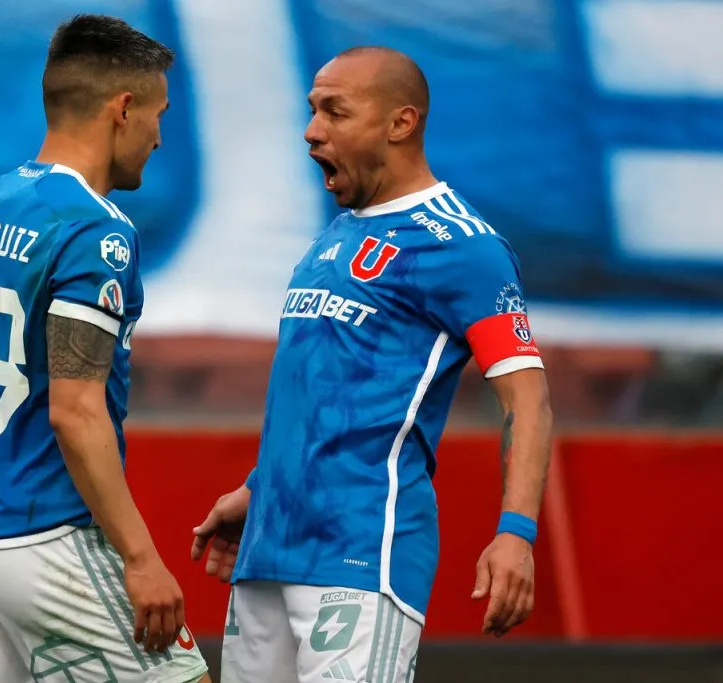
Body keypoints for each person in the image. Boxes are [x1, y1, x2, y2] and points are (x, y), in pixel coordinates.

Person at [191, 46, 553, 682]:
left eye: (335, 111)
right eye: (312, 111)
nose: (312, 130)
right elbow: (325, 387)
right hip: (269, 551)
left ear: (400, 123)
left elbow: (529, 400)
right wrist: (258, 487)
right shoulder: (332, 236)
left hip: (363, 556)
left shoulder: (463, 247)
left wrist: (515, 532)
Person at [0, 14, 209, 683]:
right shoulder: (97, 233)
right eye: (158, 114)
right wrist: (140, 555)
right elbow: (76, 410)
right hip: (48, 542)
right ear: (123, 109)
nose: (158, 136)